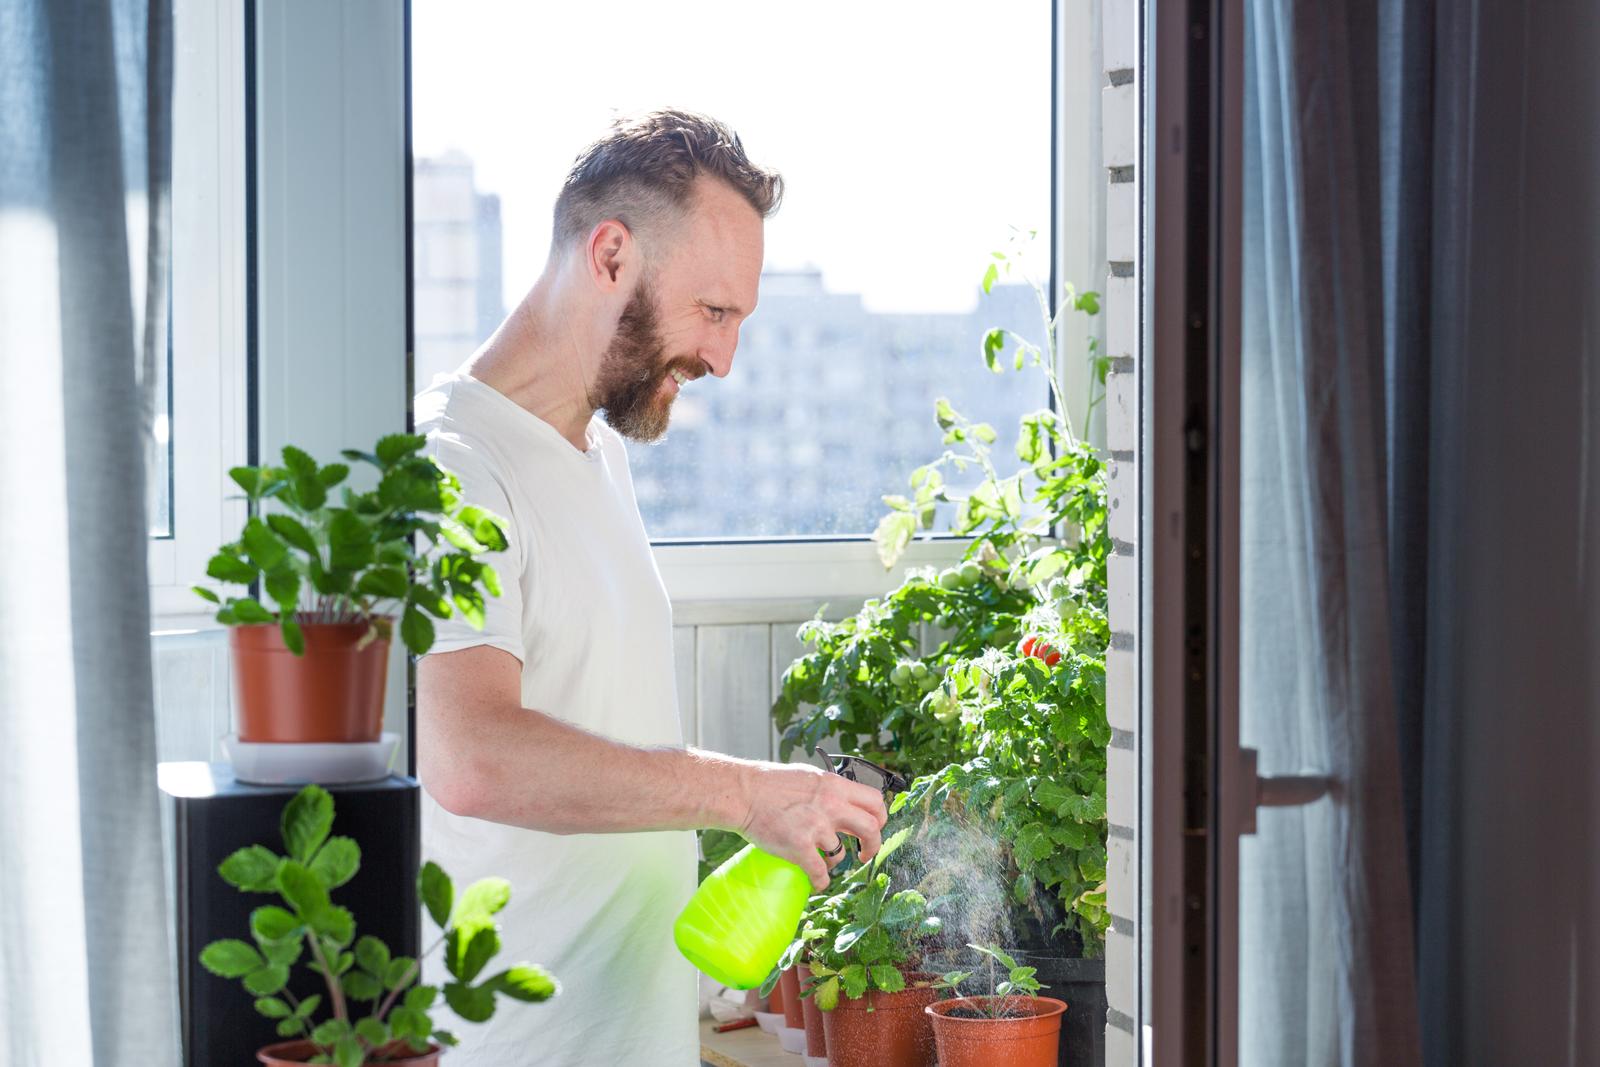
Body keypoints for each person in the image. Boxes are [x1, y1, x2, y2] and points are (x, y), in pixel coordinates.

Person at [413, 110, 889, 1066]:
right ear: (611, 255)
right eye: (714, 312)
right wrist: (745, 794)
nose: (724, 358)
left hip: (630, 1035)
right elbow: (469, 754)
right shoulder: (452, 465)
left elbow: (598, 734)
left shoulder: (594, 453)